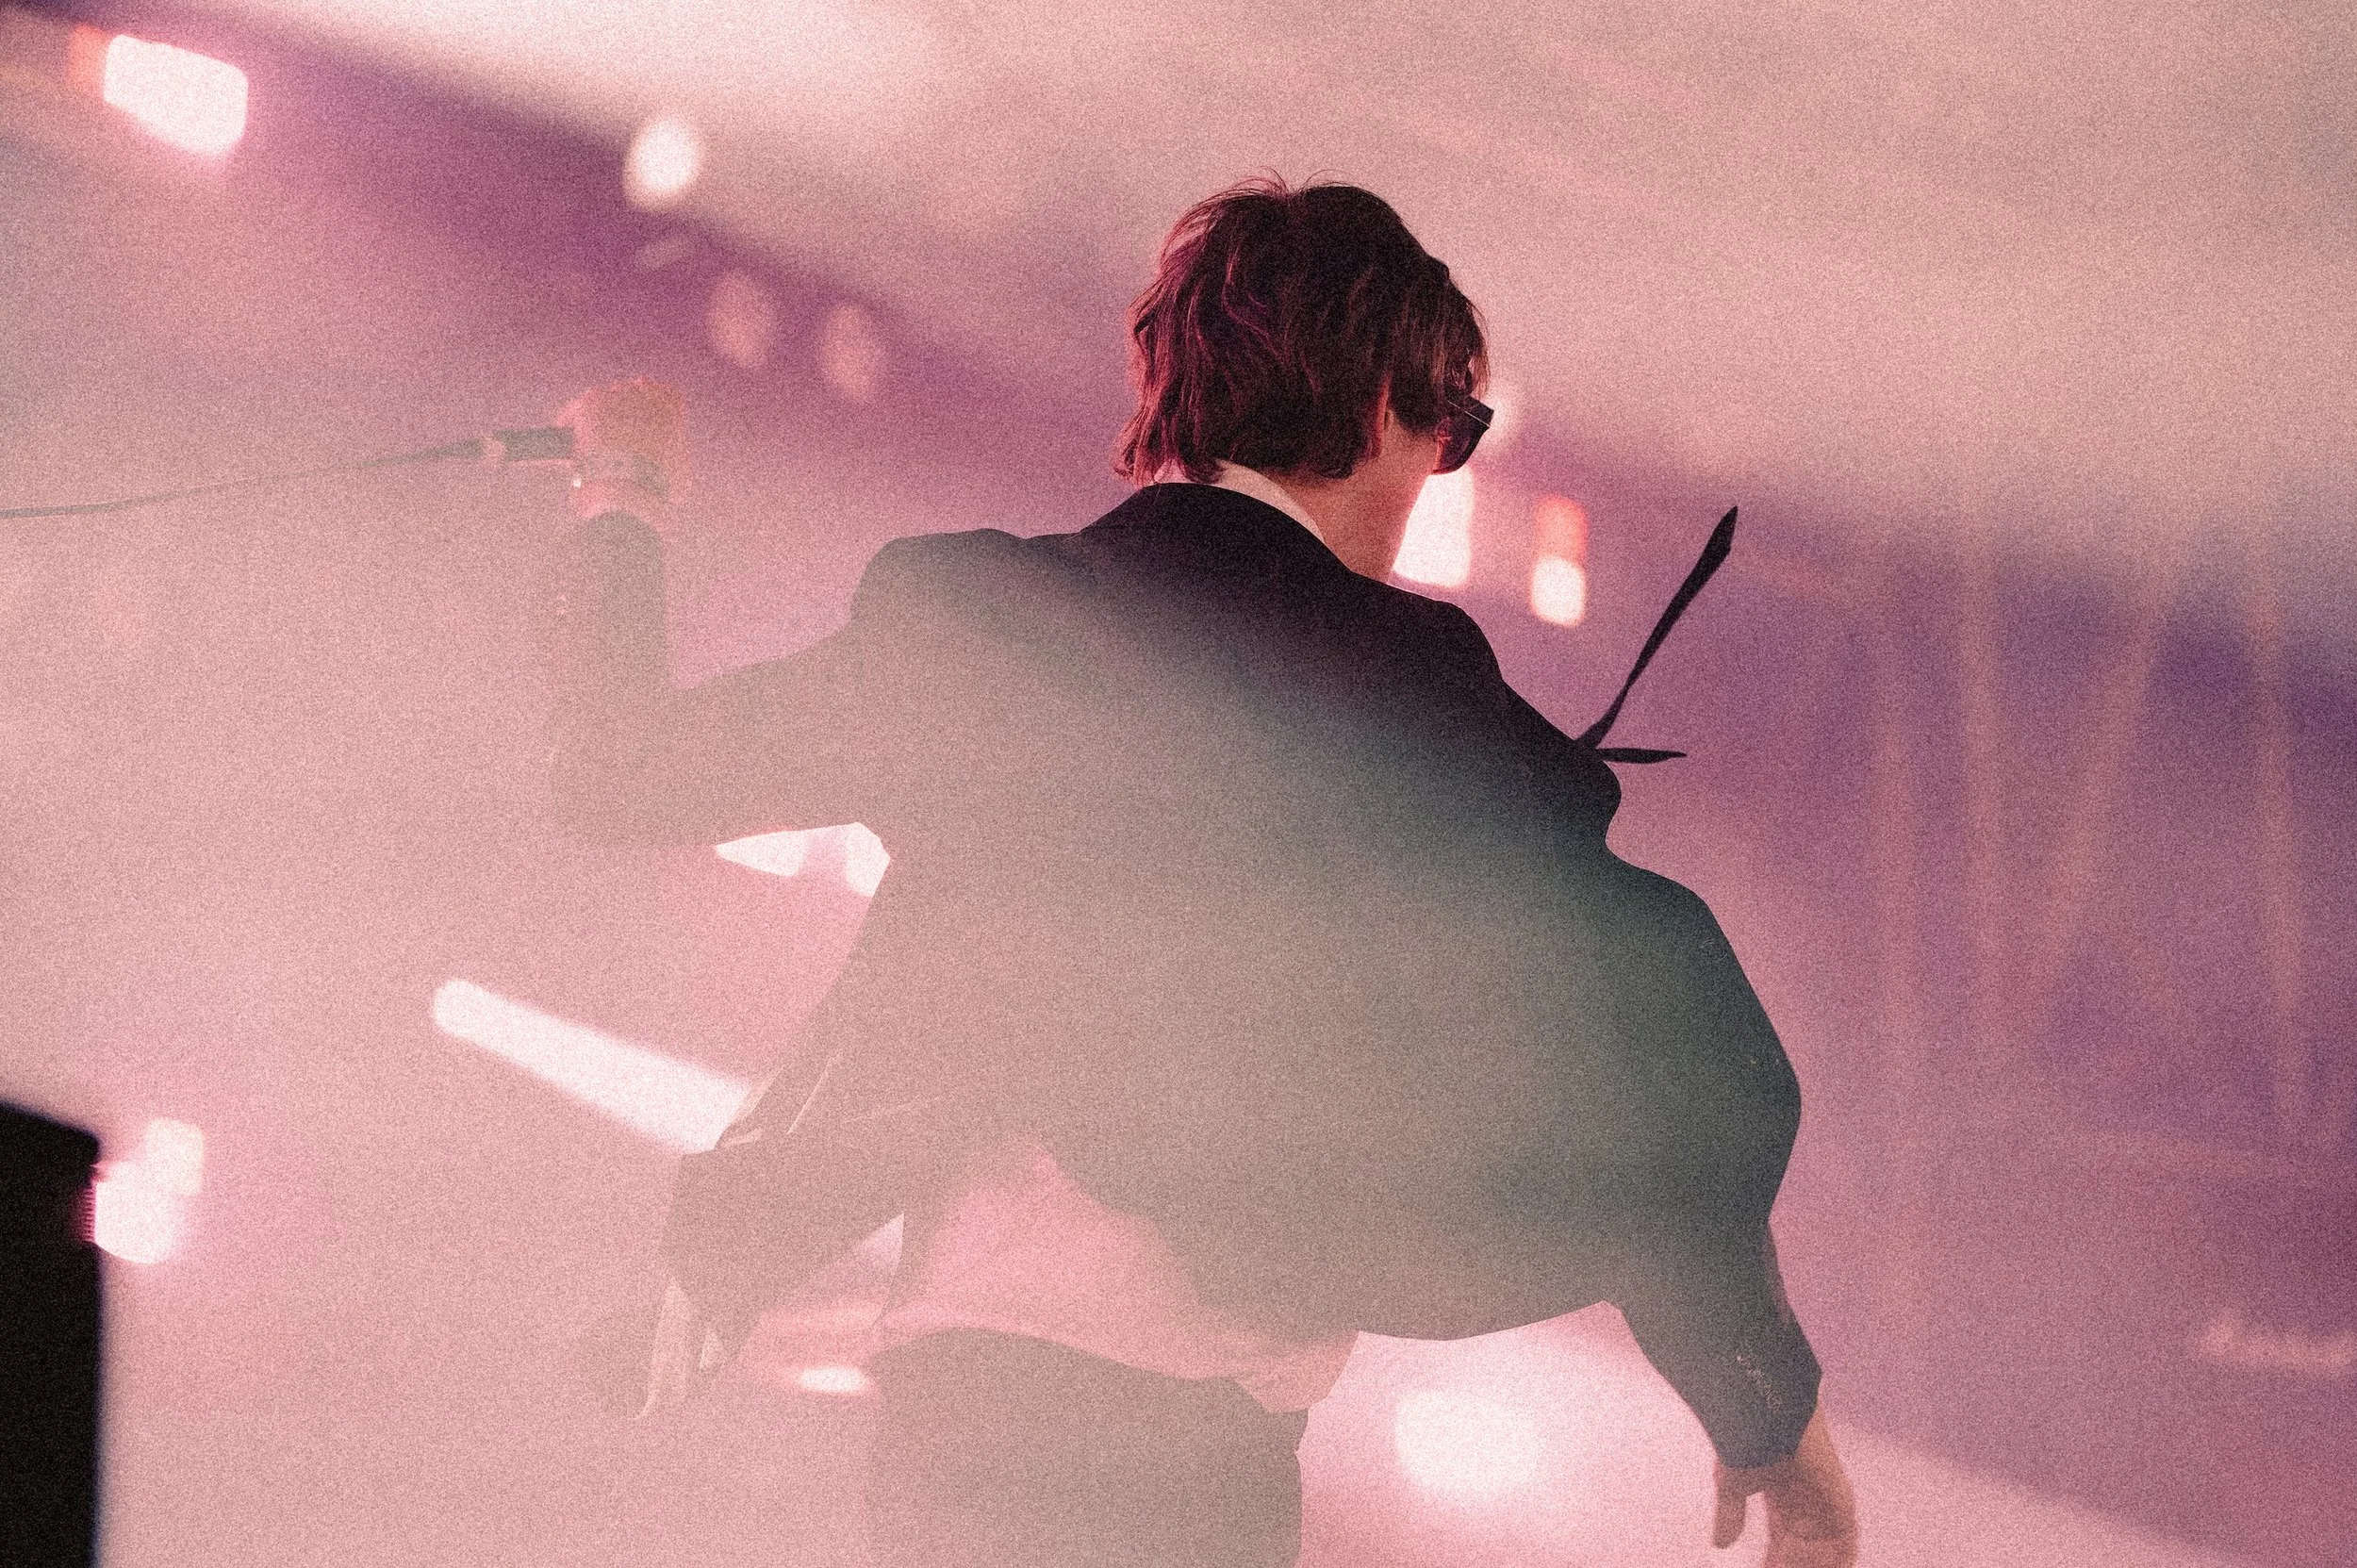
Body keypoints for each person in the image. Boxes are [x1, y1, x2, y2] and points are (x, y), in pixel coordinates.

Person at [548, 177, 1859, 1568]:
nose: (1437, 473)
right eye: (1453, 431)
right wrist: (1766, 1415)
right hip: (1193, 1460)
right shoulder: (1411, 693)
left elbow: (621, 773)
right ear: (1384, 406)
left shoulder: (977, 617)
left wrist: (621, 493)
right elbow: (1644, 1056)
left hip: (957, 1428)